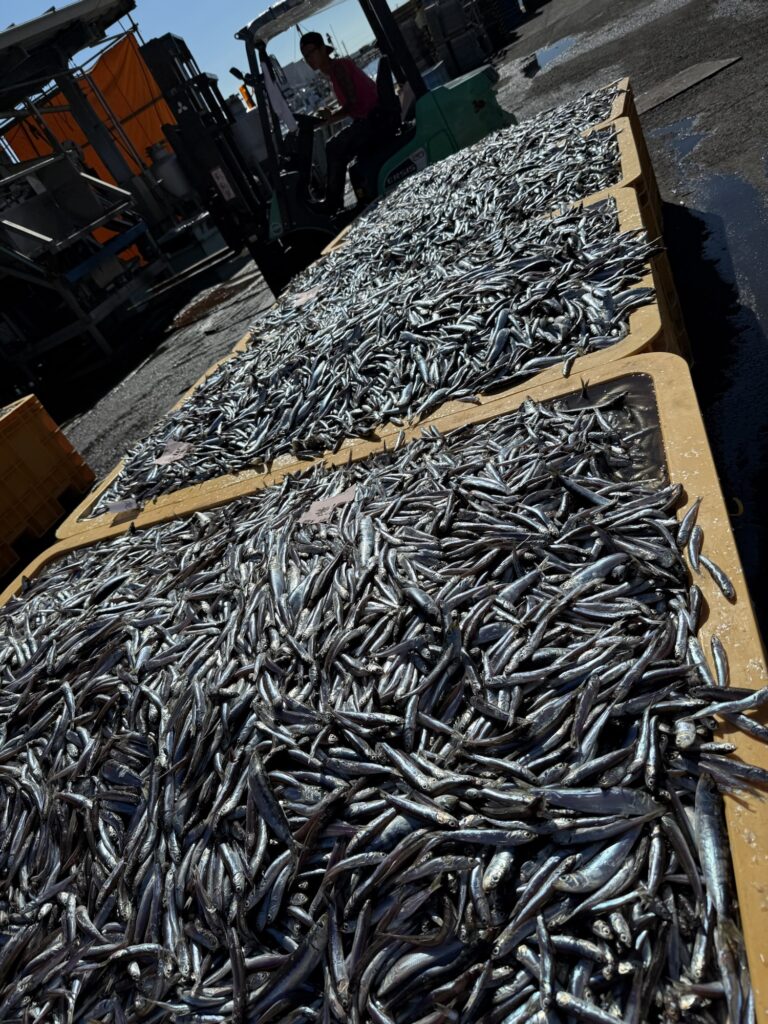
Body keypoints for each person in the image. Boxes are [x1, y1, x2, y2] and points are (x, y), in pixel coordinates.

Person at [299, 31, 380, 213]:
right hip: (369, 119)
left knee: (333, 147)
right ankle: (335, 202)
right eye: (305, 56)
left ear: (322, 49)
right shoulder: (334, 72)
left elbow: (352, 103)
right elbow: (351, 104)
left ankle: (332, 205)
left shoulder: (339, 68)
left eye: (311, 52)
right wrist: (328, 118)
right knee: (337, 148)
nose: (309, 59)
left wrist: (330, 119)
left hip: (373, 120)